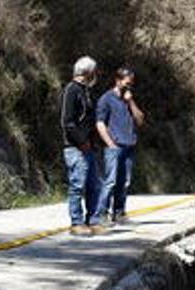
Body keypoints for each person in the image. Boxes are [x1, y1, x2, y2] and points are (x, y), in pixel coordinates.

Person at [61, 56, 107, 236]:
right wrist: (81, 142)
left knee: (94, 185)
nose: (96, 75)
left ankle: (93, 221)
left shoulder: (86, 91)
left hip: (90, 147)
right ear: (87, 72)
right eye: (94, 72)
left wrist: (93, 143)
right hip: (76, 148)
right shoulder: (71, 90)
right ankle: (76, 222)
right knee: (77, 185)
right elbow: (68, 122)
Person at [96, 67, 145, 224]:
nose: (129, 87)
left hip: (129, 146)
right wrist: (110, 143)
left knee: (124, 182)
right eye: (126, 83)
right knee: (110, 181)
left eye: (131, 84)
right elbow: (100, 123)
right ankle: (102, 213)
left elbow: (140, 120)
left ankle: (119, 213)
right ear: (117, 81)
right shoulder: (106, 99)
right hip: (114, 146)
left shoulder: (129, 100)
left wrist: (130, 101)